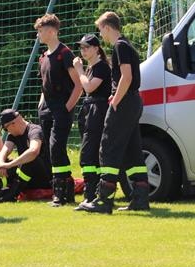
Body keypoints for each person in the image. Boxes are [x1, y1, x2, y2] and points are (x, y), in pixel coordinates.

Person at [78, 12, 150, 214]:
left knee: (108, 146)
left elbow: (126, 77)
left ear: (108, 27)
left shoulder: (120, 46)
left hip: (124, 103)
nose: (101, 35)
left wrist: (115, 100)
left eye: (101, 30)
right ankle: (140, 198)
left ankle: (103, 200)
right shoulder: (126, 45)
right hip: (133, 102)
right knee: (132, 149)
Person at [34, 13, 82, 206]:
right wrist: (41, 104)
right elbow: (44, 85)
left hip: (61, 109)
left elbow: (78, 85)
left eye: (41, 31)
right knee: (50, 150)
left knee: (57, 147)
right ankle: (64, 191)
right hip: (46, 110)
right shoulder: (43, 57)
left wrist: (67, 108)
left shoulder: (65, 53)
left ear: (52, 31)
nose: (38, 35)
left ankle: (61, 193)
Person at [72, 33, 111, 204]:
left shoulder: (101, 67)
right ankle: (94, 193)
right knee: (91, 153)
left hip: (98, 110)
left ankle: (91, 194)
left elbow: (89, 87)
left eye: (86, 47)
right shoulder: (91, 68)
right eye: (81, 48)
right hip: (89, 109)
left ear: (96, 49)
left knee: (89, 152)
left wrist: (79, 70)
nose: (83, 51)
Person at [0, 108, 52, 203]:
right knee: (8, 161)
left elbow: (33, 151)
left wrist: (9, 165)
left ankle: (12, 194)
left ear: (13, 124)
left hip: (45, 178)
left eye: (6, 128)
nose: (7, 131)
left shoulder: (34, 130)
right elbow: (5, 150)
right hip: (28, 177)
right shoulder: (13, 135)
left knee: (29, 159)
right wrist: (1, 163)